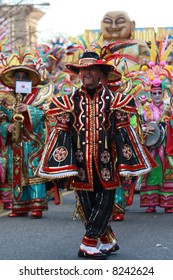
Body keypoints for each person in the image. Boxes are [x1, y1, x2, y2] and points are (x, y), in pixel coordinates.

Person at [37, 50, 156, 259]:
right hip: (80, 164)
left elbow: (123, 132)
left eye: (91, 69)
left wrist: (129, 163)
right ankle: (108, 240)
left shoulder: (116, 99)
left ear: (100, 73)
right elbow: (61, 133)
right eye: (83, 70)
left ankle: (88, 243)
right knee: (86, 205)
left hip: (106, 162)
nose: (86, 74)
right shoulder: (69, 101)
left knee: (105, 201)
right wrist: (62, 163)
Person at [0, 49, 49, 218]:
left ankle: (37, 205)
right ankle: (19, 205)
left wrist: (29, 109)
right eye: (17, 77)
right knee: (16, 173)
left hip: (33, 141)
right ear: (13, 80)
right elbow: (1, 119)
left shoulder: (38, 96)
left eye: (24, 77)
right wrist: (7, 127)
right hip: (15, 143)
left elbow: (45, 114)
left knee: (33, 172)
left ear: (29, 80)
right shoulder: (6, 98)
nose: (20, 80)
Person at [139, 83, 173, 213]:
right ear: (150, 94)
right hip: (151, 146)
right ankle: (150, 202)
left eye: (159, 93)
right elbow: (140, 124)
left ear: (163, 93)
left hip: (166, 144)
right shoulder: (145, 108)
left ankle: (168, 202)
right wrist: (145, 129)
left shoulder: (168, 107)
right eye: (154, 93)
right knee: (151, 172)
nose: (157, 95)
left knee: (168, 172)